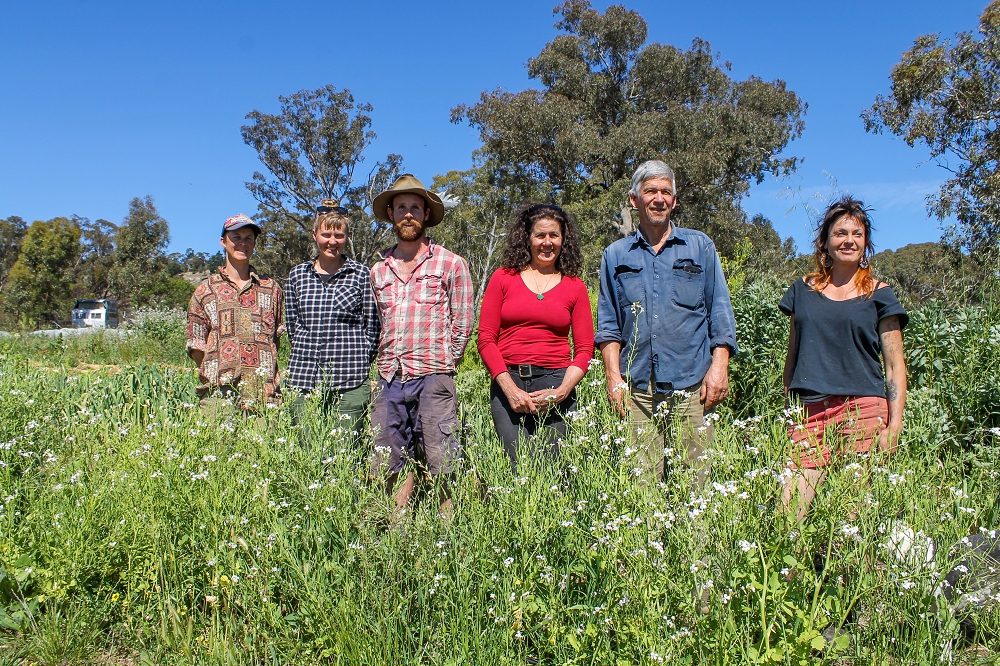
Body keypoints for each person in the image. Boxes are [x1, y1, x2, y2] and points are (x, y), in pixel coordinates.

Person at [595, 160, 737, 486]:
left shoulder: (700, 246)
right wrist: (614, 377)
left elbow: (719, 311)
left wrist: (720, 367)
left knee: (695, 489)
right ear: (635, 200)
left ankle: (693, 540)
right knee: (640, 488)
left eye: (666, 192)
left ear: (674, 200)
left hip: (692, 386)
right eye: (651, 191)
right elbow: (608, 324)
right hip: (638, 392)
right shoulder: (615, 255)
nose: (659, 198)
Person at [779, 196, 908, 520]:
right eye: (840, 233)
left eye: (857, 234)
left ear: (865, 242)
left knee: (853, 520)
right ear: (824, 241)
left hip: (862, 412)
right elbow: (792, 355)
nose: (848, 240)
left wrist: (894, 424)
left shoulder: (880, 293)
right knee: (787, 513)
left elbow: (894, 366)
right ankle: (790, 573)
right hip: (809, 414)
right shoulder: (802, 290)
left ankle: (855, 573)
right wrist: (788, 409)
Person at [369, 174, 474, 517]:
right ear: (391, 214)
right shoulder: (377, 271)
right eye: (402, 208)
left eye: (415, 207)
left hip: (434, 375)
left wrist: (445, 364)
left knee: (442, 458)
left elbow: (463, 322)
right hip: (389, 376)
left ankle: (447, 536)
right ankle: (397, 531)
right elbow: (376, 324)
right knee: (390, 459)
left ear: (426, 214)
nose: (409, 214)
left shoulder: (450, 263)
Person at [477, 203, 594, 472]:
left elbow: (586, 348)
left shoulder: (575, 286)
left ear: (564, 240)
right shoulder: (503, 278)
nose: (547, 242)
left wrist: (563, 390)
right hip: (509, 385)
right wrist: (510, 390)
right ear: (527, 238)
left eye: (554, 235)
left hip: (555, 385)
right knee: (517, 470)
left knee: (552, 473)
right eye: (540, 235)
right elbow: (485, 339)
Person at [284, 200, 380, 442]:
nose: (332, 241)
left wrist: (358, 359)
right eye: (326, 234)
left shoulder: (360, 275)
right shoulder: (297, 275)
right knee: (307, 453)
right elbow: (293, 328)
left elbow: (372, 327)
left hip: (350, 381)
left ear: (346, 237)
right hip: (304, 379)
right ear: (315, 235)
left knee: (344, 454)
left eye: (339, 235)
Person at [186, 214, 284, 411]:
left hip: (263, 396)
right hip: (218, 396)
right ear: (223, 242)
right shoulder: (206, 290)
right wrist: (217, 371)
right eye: (236, 237)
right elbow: (196, 344)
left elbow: (275, 339)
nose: (243, 243)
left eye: (248, 238)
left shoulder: (271, 289)